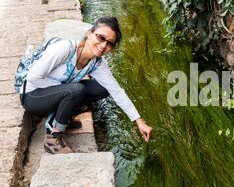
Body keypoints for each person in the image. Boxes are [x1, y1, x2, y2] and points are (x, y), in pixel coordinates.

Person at [19, 16, 152, 154]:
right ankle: (53, 137)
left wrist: (139, 122)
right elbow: (33, 77)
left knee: (103, 88)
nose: (103, 45)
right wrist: (65, 88)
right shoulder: (65, 49)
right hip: (32, 96)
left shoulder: (97, 63)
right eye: (101, 37)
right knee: (75, 90)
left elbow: (116, 91)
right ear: (90, 33)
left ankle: (63, 113)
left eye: (110, 43)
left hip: (55, 93)